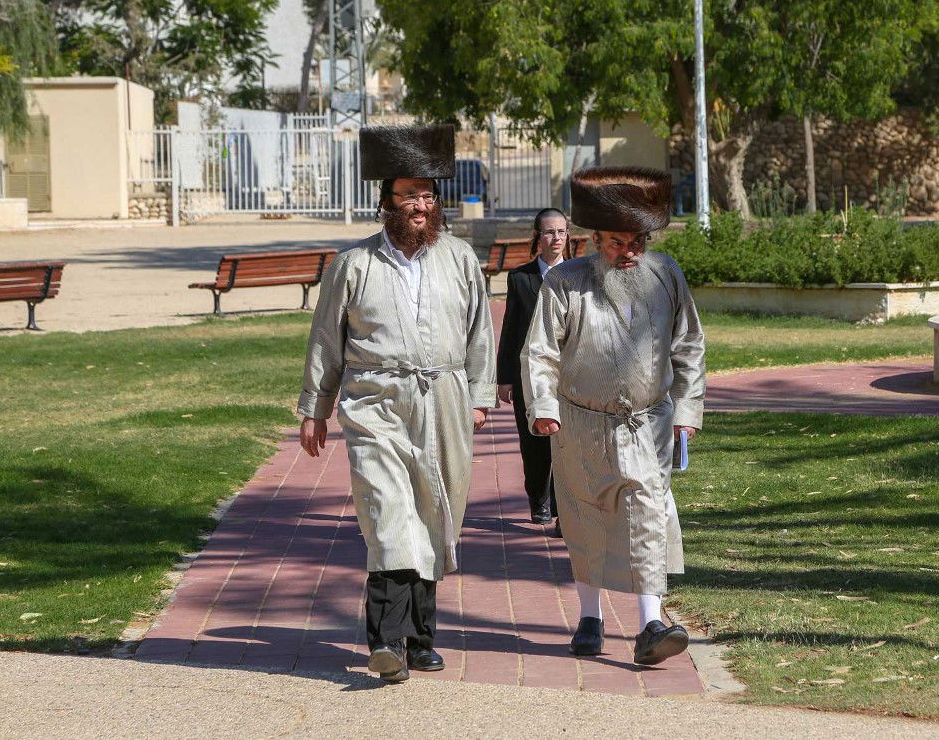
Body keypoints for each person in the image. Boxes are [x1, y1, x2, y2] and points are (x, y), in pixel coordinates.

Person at [297, 124, 496, 684]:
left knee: (435, 511)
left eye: (428, 195)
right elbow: (325, 340)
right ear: (385, 201)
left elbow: (481, 333)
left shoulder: (459, 258)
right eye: (409, 194)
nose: (420, 205)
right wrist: (316, 407)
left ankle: (420, 638)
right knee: (389, 516)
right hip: (375, 402)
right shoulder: (353, 265)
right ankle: (385, 641)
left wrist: (479, 395)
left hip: (446, 402)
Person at [521, 166, 705, 666]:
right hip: (579, 424)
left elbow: (689, 345)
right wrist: (543, 408)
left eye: (639, 241)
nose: (630, 254)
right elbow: (539, 353)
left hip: (648, 422)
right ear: (594, 239)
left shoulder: (666, 275)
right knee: (585, 519)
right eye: (619, 243)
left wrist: (688, 408)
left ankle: (650, 622)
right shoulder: (564, 283)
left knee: (648, 513)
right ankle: (589, 617)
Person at [495, 208, 569, 535]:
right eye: (549, 232)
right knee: (534, 442)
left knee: (568, 444)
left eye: (562, 232)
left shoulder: (579, 276)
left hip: (569, 375)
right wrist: (505, 377)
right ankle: (539, 501)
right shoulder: (520, 278)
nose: (556, 238)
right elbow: (510, 329)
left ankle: (564, 507)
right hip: (529, 375)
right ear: (537, 237)